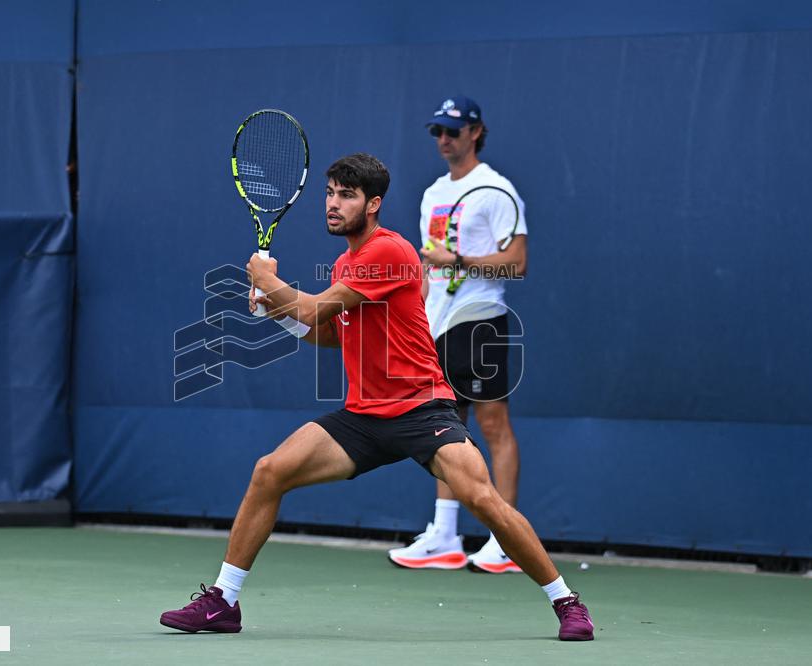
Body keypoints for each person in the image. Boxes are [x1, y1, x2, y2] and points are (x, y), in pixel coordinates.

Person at [159, 153, 593, 641]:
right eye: (329, 193)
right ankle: (223, 602)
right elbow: (327, 331)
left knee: (481, 497)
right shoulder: (345, 262)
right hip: (363, 417)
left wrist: (269, 281)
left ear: (373, 204)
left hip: (421, 409)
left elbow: (315, 306)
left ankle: (567, 602)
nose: (333, 203)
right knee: (269, 471)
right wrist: (276, 313)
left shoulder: (388, 252)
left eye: (346, 195)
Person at [388, 95, 529, 575]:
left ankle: (505, 540)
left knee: (493, 428)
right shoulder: (432, 193)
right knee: (444, 432)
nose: (443, 139)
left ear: (476, 133)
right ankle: (445, 536)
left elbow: (518, 261)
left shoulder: (497, 191)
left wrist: (461, 262)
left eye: (452, 131)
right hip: (437, 324)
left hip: (481, 319)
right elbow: (428, 262)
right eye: (437, 132)